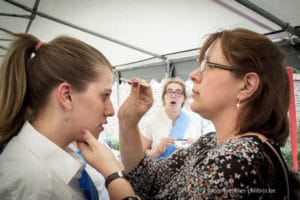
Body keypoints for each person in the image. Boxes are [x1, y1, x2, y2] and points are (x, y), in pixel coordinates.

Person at [77, 28, 300, 199]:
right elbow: (149, 179)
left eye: (209, 65)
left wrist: (112, 173)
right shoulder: (211, 142)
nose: (193, 75)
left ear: (246, 85)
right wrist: (128, 122)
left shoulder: (238, 160)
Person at [0, 33, 136, 199]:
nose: (111, 110)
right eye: (105, 95)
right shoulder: (35, 184)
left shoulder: (49, 161)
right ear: (66, 96)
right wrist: (115, 176)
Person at [140, 77, 214, 158]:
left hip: (188, 169)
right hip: (159, 169)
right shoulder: (151, 122)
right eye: (169, 91)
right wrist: (158, 150)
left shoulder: (197, 121)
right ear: (164, 97)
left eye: (178, 92)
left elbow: (210, 149)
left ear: (183, 98)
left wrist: (196, 146)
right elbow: (139, 156)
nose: (173, 95)